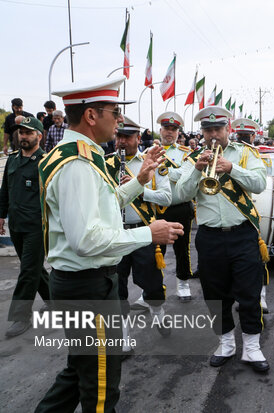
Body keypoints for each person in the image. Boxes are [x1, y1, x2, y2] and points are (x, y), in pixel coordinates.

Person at [35, 76, 183, 412]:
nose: (119, 120)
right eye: (114, 112)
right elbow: (88, 240)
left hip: (81, 283)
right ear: (91, 116)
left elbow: (101, 207)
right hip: (87, 286)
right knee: (101, 387)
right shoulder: (77, 164)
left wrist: (139, 182)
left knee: (78, 372)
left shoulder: (77, 154)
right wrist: (149, 233)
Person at [176, 106, 270, 373]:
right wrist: (196, 170)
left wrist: (231, 169)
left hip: (242, 234)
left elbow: (259, 183)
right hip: (209, 237)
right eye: (208, 130)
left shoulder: (245, 153)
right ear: (202, 132)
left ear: (228, 128)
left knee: (249, 294)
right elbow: (180, 194)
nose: (213, 135)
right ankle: (226, 343)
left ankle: (252, 347)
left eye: (218, 129)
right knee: (215, 296)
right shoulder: (193, 157)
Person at [105, 116, 173, 348]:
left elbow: (167, 197)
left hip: (145, 232)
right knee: (117, 287)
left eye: (127, 137)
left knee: (152, 283)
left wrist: (139, 189)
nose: (122, 141)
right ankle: (123, 338)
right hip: (116, 233)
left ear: (137, 138)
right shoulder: (105, 164)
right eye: (119, 136)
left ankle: (158, 313)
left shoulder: (152, 162)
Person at [0, 116, 50, 337]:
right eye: (21, 132)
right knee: (34, 268)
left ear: (39, 135)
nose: (24, 136)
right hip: (17, 224)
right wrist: (1, 216)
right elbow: (4, 190)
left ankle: (21, 316)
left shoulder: (46, 162)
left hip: (37, 226)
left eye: (29, 133)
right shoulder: (12, 160)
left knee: (28, 269)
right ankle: (54, 299)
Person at [153, 112, 195, 301]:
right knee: (155, 250)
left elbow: (184, 176)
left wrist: (162, 170)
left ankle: (183, 283)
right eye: (166, 128)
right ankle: (152, 287)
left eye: (173, 129)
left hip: (180, 206)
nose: (169, 132)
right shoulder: (149, 152)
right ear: (160, 130)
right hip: (157, 208)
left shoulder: (185, 153)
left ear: (178, 133)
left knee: (182, 247)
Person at [232, 117, 271, 313]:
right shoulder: (228, 154)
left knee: (257, 258)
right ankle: (239, 296)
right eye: (240, 136)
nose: (243, 140)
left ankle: (261, 296)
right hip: (234, 209)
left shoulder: (258, 155)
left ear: (254, 136)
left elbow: (265, 183)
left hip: (253, 209)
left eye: (246, 136)